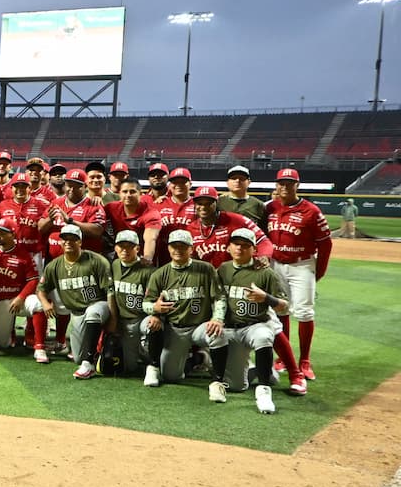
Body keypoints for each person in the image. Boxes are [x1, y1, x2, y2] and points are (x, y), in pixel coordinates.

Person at [141, 230, 229, 399]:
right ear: (168, 248)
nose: (178, 250)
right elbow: (146, 303)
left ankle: (217, 382)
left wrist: (217, 318)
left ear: (191, 249)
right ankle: (197, 359)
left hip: (199, 326)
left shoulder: (206, 269)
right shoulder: (160, 274)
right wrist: (155, 309)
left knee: (219, 333)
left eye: (183, 246)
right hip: (175, 329)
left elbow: (219, 297)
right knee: (171, 376)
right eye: (174, 246)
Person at [266, 168, 332, 383]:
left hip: (301, 264)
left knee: (304, 312)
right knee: (280, 309)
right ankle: (284, 359)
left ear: (297, 185)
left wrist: (317, 273)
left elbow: (326, 244)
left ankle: (304, 360)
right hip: (276, 265)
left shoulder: (311, 211)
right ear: (276, 185)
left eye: (289, 183)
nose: (284, 187)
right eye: (281, 183)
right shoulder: (270, 208)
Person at [217, 228, 293, 414]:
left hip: (256, 325)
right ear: (228, 247)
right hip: (231, 329)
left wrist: (267, 298)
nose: (240, 249)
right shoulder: (223, 269)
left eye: (245, 246)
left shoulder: (266, 273)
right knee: (235, 385)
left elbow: (284, 307)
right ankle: (262, 370)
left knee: (263, 337)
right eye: (236, 244)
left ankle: (264, 391)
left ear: (254, 249)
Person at [36, 224, 112, 378]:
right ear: (61, 242)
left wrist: (113, 320)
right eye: (65, 239)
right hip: (77, 313)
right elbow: (41, 289)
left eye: (73, 239)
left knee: (93, 313)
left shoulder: (96, 260)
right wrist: (45, 303)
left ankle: (88, 364)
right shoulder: (54, 266)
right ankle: (95, 349)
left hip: (99, 306)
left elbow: (110, 293)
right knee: (78, 357)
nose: (68, 242)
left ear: (80, 242)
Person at [0, 218, 42, 358]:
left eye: (3, 233)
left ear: (13, 235)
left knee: (37, 304)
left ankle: (40, 346)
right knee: (2, 344)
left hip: (15, 300)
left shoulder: (23, 254)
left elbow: (33, 280)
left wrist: (21, 297)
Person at [105, 230, 158, 377]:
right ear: (115, 248)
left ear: (137, 248)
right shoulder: (114, 265)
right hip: (123, 321)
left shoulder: (148, 271)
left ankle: (155, 363)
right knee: (130, 368)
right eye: (121, 246)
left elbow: (156, 299)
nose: (125, 250)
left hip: (142, 318)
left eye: (129, 246)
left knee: (150, 327)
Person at [186, 186, 272, 268]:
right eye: (200, 204)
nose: (203, 207)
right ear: (194, 205)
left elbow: (262, 240)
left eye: (209, 204)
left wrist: (264, 255)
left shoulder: (235, 219)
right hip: (208, 277)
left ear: (216, 203)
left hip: (235, 275)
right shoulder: (191, 229)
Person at [102, 178, 161, 262]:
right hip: (120, 258)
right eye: (125, 192)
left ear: (140, 194)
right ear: (119, 194)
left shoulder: (151, 213)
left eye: (132, 192)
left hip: (141, 260)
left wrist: (147, 257)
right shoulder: (111, 208)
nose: (128, 195)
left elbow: (150, 238)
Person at [0, 172, 44, 262]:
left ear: (30, 188)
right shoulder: (3, 205)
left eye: (23, 186)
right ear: (11, 188)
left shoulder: (40, 205)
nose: (20, 189)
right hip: (9, 252)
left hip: (33, 254)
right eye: (17, 186)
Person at [151, 167, 196, 264]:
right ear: (170, 185)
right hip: (164, 256)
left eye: (183, 182)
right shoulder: (158, 205)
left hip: (191, 256)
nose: (179, 185)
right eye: (175, 182)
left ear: (190, 184)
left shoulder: (198, 205)